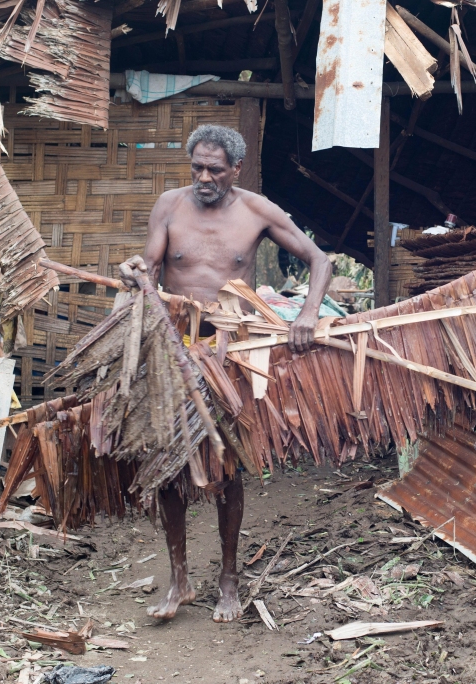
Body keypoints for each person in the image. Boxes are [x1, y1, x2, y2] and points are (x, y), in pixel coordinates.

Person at [118, 124, 332, 623]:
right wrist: (132, 273)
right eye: (197, 167)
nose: (204, 178)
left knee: (226, 467)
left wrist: (307, 315)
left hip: (229, 356)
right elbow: (148, 269)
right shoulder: (170, 205)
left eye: (214, 169)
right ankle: (179, 580)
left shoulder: (257, 211)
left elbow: (319, 259)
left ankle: (229, 579)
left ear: (236, 169)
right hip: (173, 350)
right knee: (168, 465)